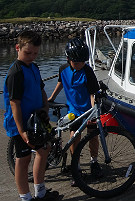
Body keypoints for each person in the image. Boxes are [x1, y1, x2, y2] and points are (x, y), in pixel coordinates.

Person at [3, 30, 61, 201]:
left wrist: (45, 106)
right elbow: (14, 103)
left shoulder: (34, 67)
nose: (32, 56)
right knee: (23, 159)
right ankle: (25, 197)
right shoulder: (16, 73)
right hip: (21, 123)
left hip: (38, 118)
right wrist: (21, 131)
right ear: (17, 48)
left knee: (44, 149)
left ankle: (40, 192)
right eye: (28, 53)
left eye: (35, 53)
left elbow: (41, 88)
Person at [47, 38, 101, 185]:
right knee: (74, 136)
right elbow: (60, 82)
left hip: (87, 109)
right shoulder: (63, 69)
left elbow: (92, 94)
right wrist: (52, 97)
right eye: (77, 63)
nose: (80, 65)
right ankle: (75, 166)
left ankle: (94, 161)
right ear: (68, 59)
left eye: (82, 62)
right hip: (73, 110)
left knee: (92, 136)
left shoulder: (87, 71)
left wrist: (93, 113)